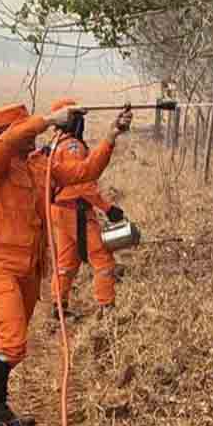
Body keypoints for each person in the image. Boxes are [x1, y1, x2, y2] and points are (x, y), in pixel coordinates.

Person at [0, 102, 132, 426]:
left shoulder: (40, 167)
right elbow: (8, 142)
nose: (33, 133)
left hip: (29, 267)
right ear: (9, 133)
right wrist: (49, 121)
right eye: (25, 128)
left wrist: (112, 136)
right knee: (12, 342)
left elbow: (84, 172)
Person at [47, 98, 127, 321]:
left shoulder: (55, 144)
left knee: (67, 261)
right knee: (102, 258)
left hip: (60, 210)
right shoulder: (73, 146)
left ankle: (59, 308)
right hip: (75, 210)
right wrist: (107, 208)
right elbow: (83, 181)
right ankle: (107, 308)